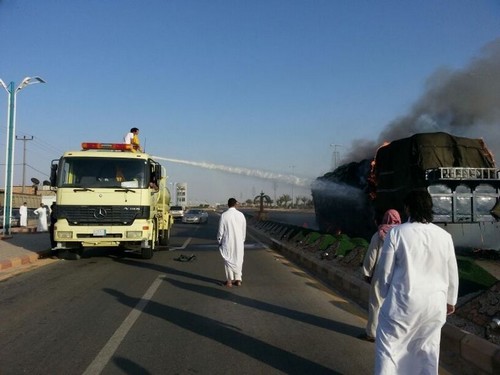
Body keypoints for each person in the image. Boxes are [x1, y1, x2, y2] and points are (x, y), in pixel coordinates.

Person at [373, 190, 459, 375]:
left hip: (403, 303)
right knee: (427, 352)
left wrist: (385, 294)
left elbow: (385, 272)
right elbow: (452, 272)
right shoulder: (445, 237)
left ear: (407, 208)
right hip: (434, 305)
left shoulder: (396, 233)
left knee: (389, 348)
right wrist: (450, 300)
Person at [360, 209, 401, 342]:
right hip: (398, 274)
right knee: (395, 305)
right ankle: (391, 334)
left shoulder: (379, 234)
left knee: (376, 304)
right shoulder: (402, 234)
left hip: (380, 274)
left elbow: (371, 256)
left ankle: (372, 333)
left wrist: (367, 273)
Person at [217, 198, 247, 287]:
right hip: (239, 242)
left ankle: (229, 281)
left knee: (228, 259)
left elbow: (220, 231)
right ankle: (238, 280)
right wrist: (242, 240)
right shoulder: (241, 215)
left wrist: (219, 240)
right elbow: (243, 229)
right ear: (235, 204)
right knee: (238, 260)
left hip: (227, 242)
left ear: (228, 204)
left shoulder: (224, 215)